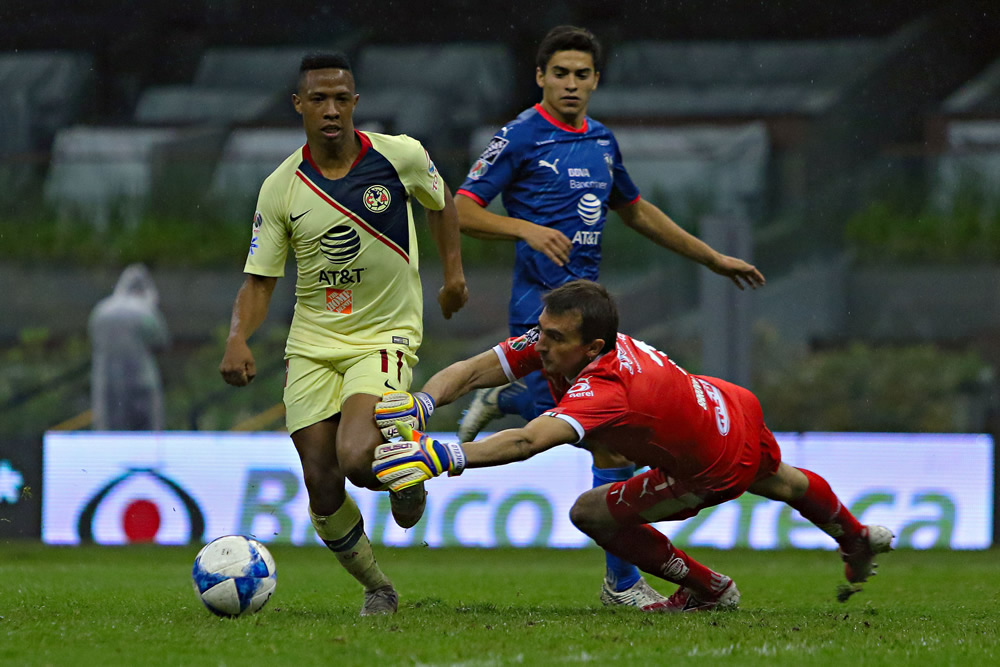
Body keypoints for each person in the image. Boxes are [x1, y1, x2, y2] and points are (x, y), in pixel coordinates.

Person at [451, 25, 766, 608]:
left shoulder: (600, 140)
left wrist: (713, 258)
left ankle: (512, 401)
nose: (571, 84)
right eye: (561, 73)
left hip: (589, 312)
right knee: (609, 443)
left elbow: (638, 211)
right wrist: (525, 228)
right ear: (540, 77)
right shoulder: (520, 136)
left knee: (604, 439)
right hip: (543, 312)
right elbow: (460, 210)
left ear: (596, 80)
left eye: (582, 74)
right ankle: (622, 583)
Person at [372, 280, 893, 611]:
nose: (540, 343)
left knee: (591, 515)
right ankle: (854, 535)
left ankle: (709, 590)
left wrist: (440, 456)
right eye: (542, 330)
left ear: (592, 347)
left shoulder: (606, 388)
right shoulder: (575, 342)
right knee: (781, 480)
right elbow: (473, 368)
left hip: (713, 464)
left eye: (554, 338)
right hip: (730, 403)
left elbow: (532, 441)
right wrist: (423, 402)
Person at [219, 52, 468, 616]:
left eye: (341, 99)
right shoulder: (281, 187)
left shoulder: (399, 156)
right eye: (319, 99)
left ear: (355, 104)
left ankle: (408, 472)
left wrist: (453, 276)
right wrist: (238, 338)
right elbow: (259, 282)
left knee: (357, 458)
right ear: (299, 106)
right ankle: (378, 586)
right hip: (311, 345)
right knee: (323, 481)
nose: (331, 109)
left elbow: (442, 201)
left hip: (384, 335)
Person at [89, 263, 169, 431]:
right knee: (146, 433)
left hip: (107, 383)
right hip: (142, 382)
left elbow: (94, 340)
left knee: (109, 431)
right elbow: (161, 341)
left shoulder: (101, 311)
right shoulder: (145, 311)